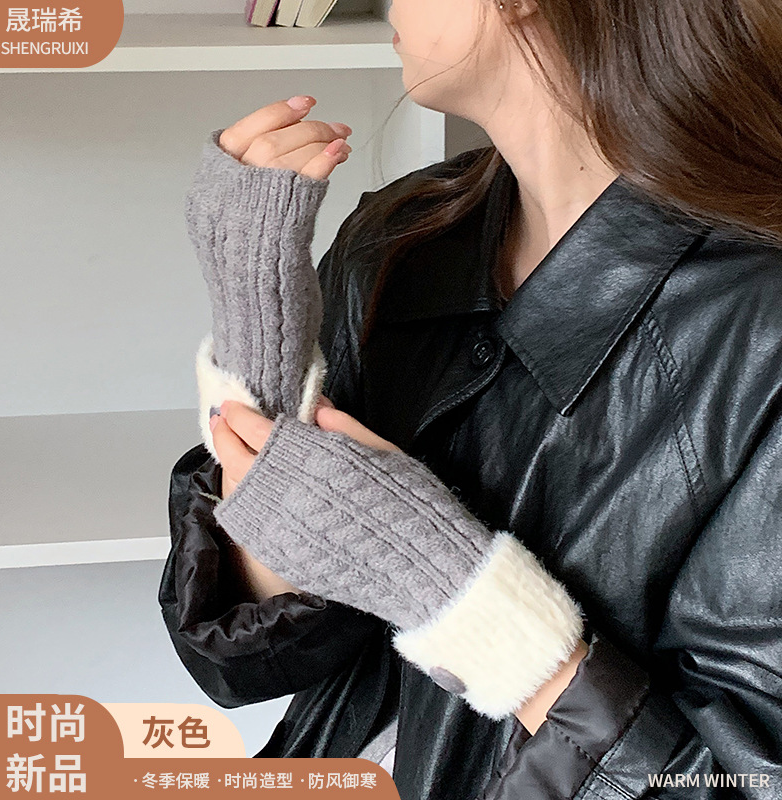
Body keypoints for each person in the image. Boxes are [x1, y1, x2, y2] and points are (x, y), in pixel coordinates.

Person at [160, 0, 782, 797]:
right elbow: (245, 661)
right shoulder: (401, 237)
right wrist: (259, 335)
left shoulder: (759, 327)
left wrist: (459, 598)